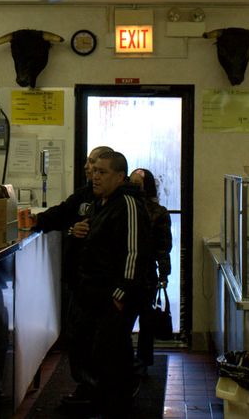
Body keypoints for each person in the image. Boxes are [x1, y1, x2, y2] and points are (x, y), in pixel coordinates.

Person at [65, 151, 151, 417]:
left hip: (113, 293)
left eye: (102, 172)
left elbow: (135, 251)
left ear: (119, 176)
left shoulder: (128, 203)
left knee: (110, 352)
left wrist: (121, 292)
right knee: (91, 347)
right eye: (95, 171)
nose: (95, 177)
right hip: (93, 290)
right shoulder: (103, 202)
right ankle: (100, 398)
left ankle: (117, 403)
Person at [32, 145, 113, 397]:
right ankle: (88, 386)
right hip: (79, 277)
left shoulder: (120, 202)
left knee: (95, 339)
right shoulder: (84, 195)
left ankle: (99, 388)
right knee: (78, 336)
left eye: (97, 166)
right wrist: (31, 222)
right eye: (90, 164)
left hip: (103, 282)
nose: (90, 169)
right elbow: (60, 214)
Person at [129, 167, 172, 375]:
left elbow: (164, 246)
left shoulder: (157, 213)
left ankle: (143, 361)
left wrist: (164, 275)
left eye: (138, 184)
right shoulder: (126, 208)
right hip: (133, 273)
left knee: (146, 321)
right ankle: (133, 360)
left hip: (146, 273)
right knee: (130, 320)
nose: (134, 188)